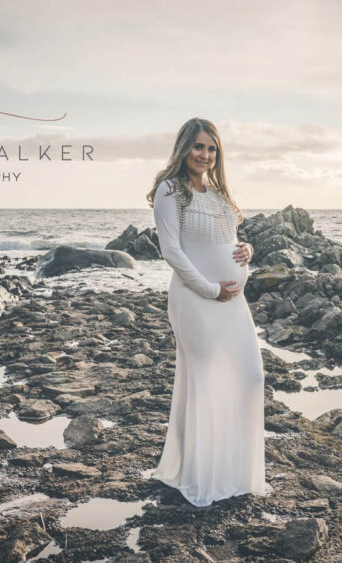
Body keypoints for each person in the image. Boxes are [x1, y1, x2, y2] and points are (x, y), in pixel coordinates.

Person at [146, 118, 266, 507]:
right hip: (196, 301)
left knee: (250, 376)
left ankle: (234, 472)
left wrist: (247, 252)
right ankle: (198, 476)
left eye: (211, 148)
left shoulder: (218, 193)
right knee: (203, 382)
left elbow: (227, 242)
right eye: (199, 146)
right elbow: (173, 251)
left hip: (232, 302)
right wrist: (211, 289)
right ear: (185, 148)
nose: (205, 155)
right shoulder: (170, 190)